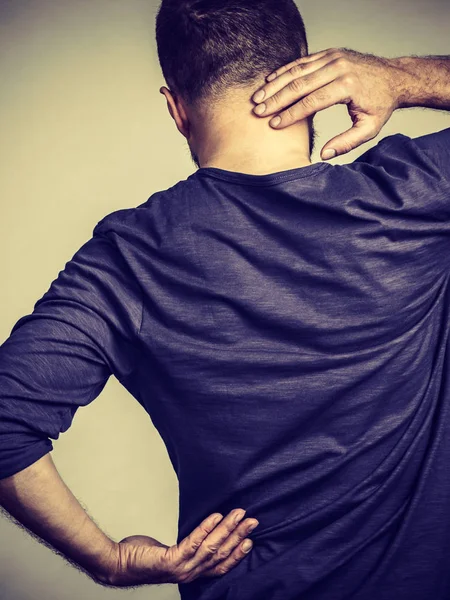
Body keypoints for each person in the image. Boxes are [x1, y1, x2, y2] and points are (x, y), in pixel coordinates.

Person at [0, 0, 449, 598]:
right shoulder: (415, 194)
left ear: (176, 109)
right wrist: (403, 77)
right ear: (311, 75)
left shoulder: (128, 259)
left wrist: (108, 560)